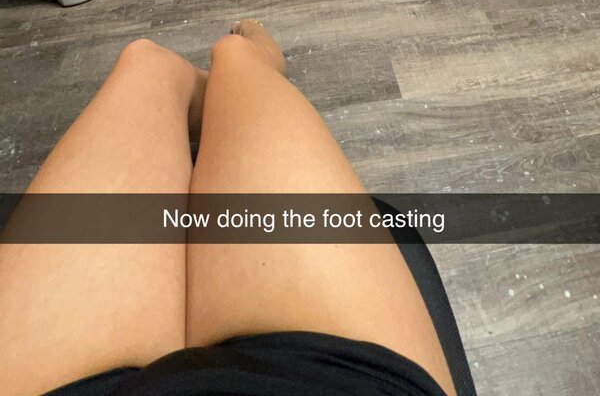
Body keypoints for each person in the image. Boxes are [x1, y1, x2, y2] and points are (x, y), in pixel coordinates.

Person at [0, 20, 457, 396]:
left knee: (146, 63)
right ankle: (239, 73)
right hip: (321, 378)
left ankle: (219, 91)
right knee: (230, 57)